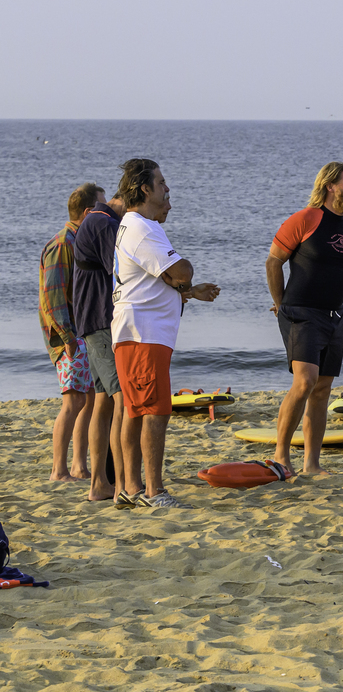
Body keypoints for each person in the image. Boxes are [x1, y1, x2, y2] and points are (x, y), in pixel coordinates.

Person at [111, 159, 220, 509]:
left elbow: (157, 280)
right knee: (155, 411)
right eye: (162, 183)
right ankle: (153, 491)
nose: (167, 189)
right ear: (145, 188)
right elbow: (181, 269)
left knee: (136, 409)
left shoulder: (133, 227)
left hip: (135, 330)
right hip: (144, 333)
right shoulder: (143, 228)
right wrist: (183, 279)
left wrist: (185, 290)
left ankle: (130, 487)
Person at [266, 162, 343, 477]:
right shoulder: (305, 219)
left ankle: (312, 464)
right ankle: (281, 455)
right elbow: (274, 261)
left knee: (322, 389)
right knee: (304, 381)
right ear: (330, 185)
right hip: (301, 313)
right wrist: (280, 304)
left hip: (335, 316)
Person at [39, 183, 103, 483]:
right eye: (101, 207)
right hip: (69, 336)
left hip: (81, 332)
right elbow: (53, 295)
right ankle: (59, 469)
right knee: (73, 401)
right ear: (89, 212)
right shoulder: (64, 243)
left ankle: (78, 466)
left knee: (88, 398)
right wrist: (67, 339)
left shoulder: (78, 240)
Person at [74, 185, 133, 503]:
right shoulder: (102, 222)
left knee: (103, 401)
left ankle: (101, 483)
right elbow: (125, 267)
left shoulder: (97, 221)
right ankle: (119, 483)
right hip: (100, 322)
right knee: (121, 398)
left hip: (92, 321)